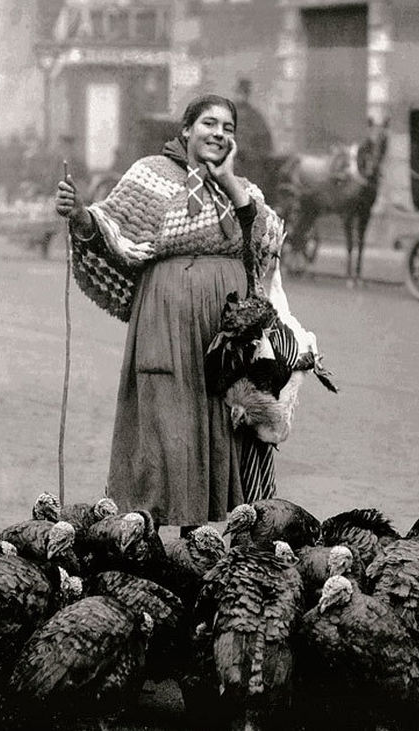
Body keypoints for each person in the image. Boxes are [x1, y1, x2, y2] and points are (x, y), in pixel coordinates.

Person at [54, 93, 284, 526]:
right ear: (185, 130)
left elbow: (264, 240)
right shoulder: (151, 176)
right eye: (208, 124)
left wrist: (228, 179)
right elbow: (110, 226)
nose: (218, 134)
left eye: (227, 128)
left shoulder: (241, 188)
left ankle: (204, 535)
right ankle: (149, 531)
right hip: (167, 319)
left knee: (222, 426)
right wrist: (79, 214)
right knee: (166, 425)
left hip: (226, 333)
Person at [233, 78, 275, 197]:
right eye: (240, 92)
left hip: (250, 165)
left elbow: (265, 140)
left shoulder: (255, 116)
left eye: (244, 92)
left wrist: (255, 154)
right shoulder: (228, 113)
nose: (242, 95)